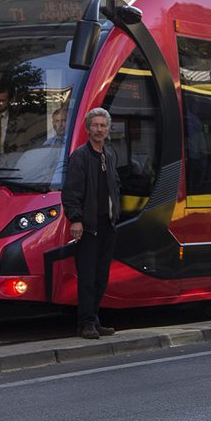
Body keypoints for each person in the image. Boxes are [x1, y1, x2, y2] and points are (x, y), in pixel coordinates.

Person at [62, 107, 120, 340]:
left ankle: (94, 319)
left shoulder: (110, 154)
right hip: (88, 226)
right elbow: (71, 191)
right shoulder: (80, 156)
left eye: (102, 125)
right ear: (88, 129)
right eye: (95, 125)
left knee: (101, 277)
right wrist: (75, 219)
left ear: (108, 129)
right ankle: (85, 323)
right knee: (87, 276)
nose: (99, 129)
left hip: (108, 225)